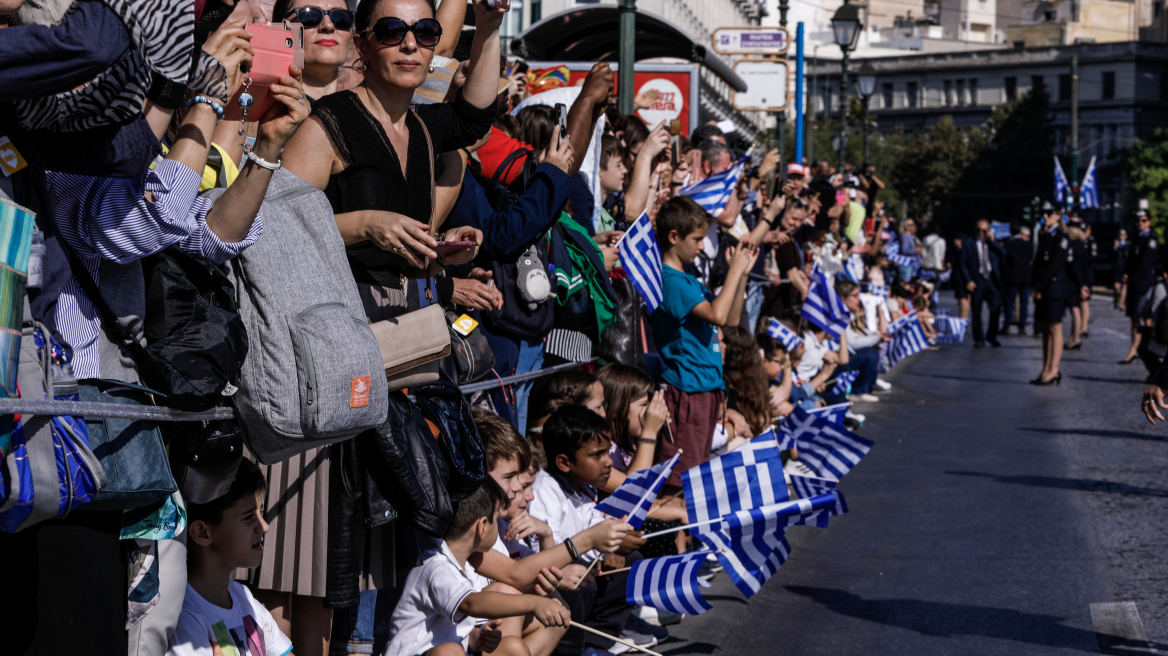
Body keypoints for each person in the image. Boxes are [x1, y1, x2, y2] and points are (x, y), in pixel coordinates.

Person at [384, 478, 571, 656]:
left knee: (514, 648)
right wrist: (534, 603)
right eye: (496, 519)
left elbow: (459, 631)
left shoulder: (462, 566)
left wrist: (478, 637)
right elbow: (471, 603)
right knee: (449, 652)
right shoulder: (436, 565)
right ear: (482, 526)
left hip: (455, 650)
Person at [527, 405, 653, 655]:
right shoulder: (545, 490)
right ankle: (569, 650)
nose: (608, 462)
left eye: (607, 452)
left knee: (630, 561)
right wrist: (596, 547)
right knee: (580, 581)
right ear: (564, 462)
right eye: (597, 455)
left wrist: (616, 542)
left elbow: (590, 523)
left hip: (580, 564)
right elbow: (541, 552)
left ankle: (596, 643)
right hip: (547, 579)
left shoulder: (584, 484)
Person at [652, 196, 758, 487]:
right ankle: (675, 532)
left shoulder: (689, 278)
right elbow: (717, 315)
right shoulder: (670, 279)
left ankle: (689, 531)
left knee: (700, 470)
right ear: (674, 237)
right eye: (697, 239)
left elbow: (731, 319)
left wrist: (742, 276)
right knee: (682, 476)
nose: (702, 246)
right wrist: (733, 269)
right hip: (688, 388)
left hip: (707, 385)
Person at [167, 461, 292, 656]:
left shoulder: (245, 598)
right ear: (202, 533)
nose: (264, 527)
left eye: (260, 512)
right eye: (249, 517)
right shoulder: (185, 616)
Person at [274, 0, 356, 101]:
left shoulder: (360, 113)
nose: (328, 26)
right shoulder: (260, 109)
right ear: (280, 28)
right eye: (309, 16)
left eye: (341, 17)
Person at [1030, 201, 1071, 385]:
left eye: (1048, 213)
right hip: (1043, 288)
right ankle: (1046, 368)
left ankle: (1054, 369)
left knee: (1055, 328)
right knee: (1045, 330)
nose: (1044, 217)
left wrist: (1038, 286)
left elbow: (1054, 265)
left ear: (1057, 215)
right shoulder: (1045, 235)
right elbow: (1038, 264)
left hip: (1054, 288)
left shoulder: (1061, 236)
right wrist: (1035, 286)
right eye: (1043, 213)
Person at [1121, 211, 1161, 365]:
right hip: (1134, 283)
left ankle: (1148, 349)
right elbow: (1130, 260)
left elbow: (1146, 263)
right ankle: (1134, 348)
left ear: (1149, 222)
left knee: (1146, 317)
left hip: (1143, 283)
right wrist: (1126, 274)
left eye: (1143, 220)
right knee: (1134, 318)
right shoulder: (1137, 238)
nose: (1140, 223)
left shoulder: (1150, 239)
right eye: (1138, 220)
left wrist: (1131, 276)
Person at [960, 219, 1004, 348]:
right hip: (977, 279)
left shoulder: (992, 243)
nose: (980, 233)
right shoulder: (969, 243)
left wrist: (992, 241)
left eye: (984, 231)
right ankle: (979, 338)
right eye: (978, 230)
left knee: (996, 308)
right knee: (976, 310)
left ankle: (992, 336)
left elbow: (1003, 254)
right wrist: (968, 280)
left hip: (992, 279)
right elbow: (963, 262)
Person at [1001, 226, 1033, 335]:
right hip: (1025, 277)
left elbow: (1005, 262)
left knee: (1010, 302)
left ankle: (1006, 326)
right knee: (1024, 304)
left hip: (1012, 277)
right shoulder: (1028, 245)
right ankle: (1022, 327)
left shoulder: (1009, 244)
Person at [1066, 220, 1092, 350]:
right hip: (1080, 281)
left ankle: (1075, 338)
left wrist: (1082, 285)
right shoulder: (1081, 245)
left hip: (1073, 282)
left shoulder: (1072, 246)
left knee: (1075, 309)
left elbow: (1074, 267)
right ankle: (1073, 337)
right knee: (1075, 309)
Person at [1114, 228, 1131, 310]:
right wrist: (1115, 248)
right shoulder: (1116, 244)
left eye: (1123, 235)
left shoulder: (1128, 245)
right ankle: (1118, 298)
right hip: (1117, 267)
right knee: (1116, 286)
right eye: (1120, 235)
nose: (1122, 236)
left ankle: (1121, 303)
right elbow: (1111, 256)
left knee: (1124, 285)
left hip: (1125, 267)